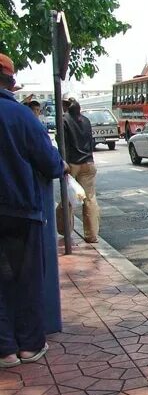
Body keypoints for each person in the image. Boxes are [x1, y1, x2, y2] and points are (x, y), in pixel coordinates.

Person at [0, 53, 66, 367]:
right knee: (25, 279)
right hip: (19, 210)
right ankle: (29, 346)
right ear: (11, 82)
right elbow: (51, 163)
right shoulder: (21, 116)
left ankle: (5, 350)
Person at [56, 99, 100, 243]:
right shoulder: (86, 120)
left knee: (68, 197)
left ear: (66, 106)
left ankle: (65, 230)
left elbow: (61, 142)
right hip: (89, 162)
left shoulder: (63, 120)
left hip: (72, 164)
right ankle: (92, 235)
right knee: (90, 198)